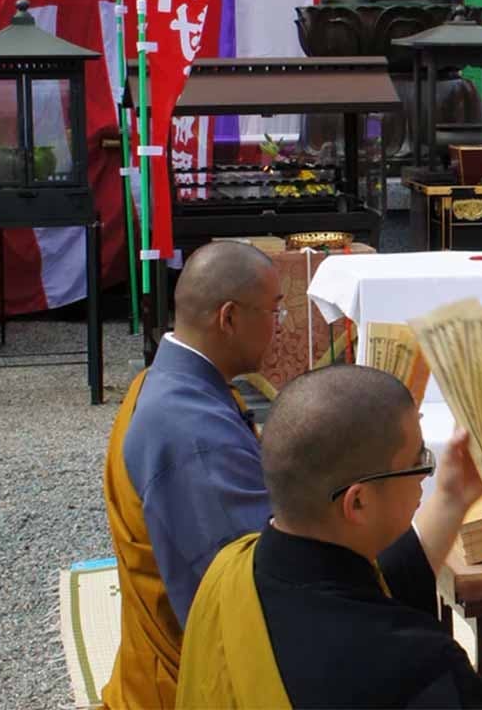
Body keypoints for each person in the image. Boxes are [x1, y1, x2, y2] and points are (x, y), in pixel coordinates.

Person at [176, 365, 482, 708]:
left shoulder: (232, 568)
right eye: (417, 461)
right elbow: (369, 633)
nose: (425, 473)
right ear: (357, 502)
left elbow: (364, 591)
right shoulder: (407, 661)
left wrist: (453, 496)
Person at [101, 241, 283, 709]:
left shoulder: (166, 381)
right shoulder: (193, 436)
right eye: (273, 312)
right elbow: (256, 590)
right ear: (229, 318)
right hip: (181, 687)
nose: (278, 328)